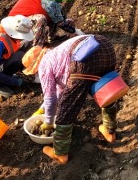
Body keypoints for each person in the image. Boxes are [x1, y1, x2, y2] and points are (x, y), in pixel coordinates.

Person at [36, 34, 119, 164]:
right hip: (106, 47)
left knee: (67, 106)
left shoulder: (43, 65)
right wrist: (42, 109)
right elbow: (59, 91)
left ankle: (60, 153)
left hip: (85, 57)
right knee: (105, 90)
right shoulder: (56, 54)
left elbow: (51, 98)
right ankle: (110, 132)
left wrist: (49, 121)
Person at [8, 0, 84, 47]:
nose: (62, 1)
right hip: (18, 21)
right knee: (42, 19)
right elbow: (60, 23)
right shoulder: (49, 1)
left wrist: (66, 19)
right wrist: (75, 31)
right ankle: (38, 46)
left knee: (54, 16)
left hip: (26, 18)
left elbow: (57, 13)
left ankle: (52, 38)